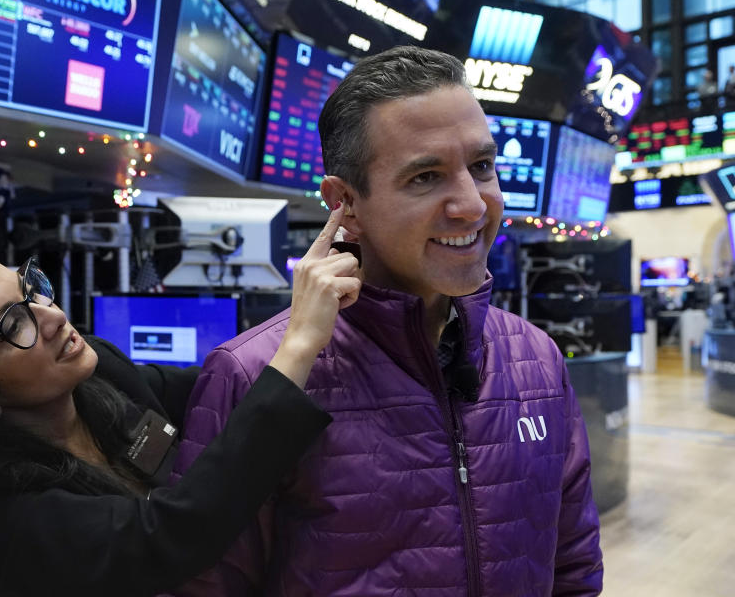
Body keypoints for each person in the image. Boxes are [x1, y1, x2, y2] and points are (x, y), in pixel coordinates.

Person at [173, 45, 603, 596]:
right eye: (425, 177)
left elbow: (572, 567)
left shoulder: (538, 359)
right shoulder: (254, 377)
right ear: (345, 204)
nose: (472, 205)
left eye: (481, 166)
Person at [0, 205, 361, 597]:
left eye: (30, 287)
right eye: (12, 324)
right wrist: (296, 342)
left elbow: (220, 386)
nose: (51, 314)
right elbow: (171, 538)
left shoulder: (100, 375)